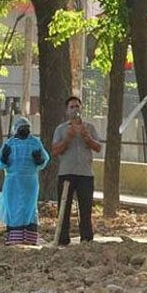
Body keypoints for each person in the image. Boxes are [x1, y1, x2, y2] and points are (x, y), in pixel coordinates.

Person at [0, 117, 49, 245]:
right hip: (13, 183)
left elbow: (44, 160)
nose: (24, 130)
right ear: (16, 129)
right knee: (13, 208)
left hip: (30, 182)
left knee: (30, 208)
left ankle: (30, 238)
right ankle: (14, 238)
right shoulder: (10, 143)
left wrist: (39, 160)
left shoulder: (35, 142)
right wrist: (4, 158)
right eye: (22, 128)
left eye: (26, 128)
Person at [51, 96, 101, 245]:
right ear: (67, 110)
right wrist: (68, 138)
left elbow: (98, 147)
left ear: (81, 108)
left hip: (85, 174)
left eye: (77, 106)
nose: (75, 109)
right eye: (71, 107)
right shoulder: (61, 129)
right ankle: (62, 239)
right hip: (66, 173)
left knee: (85, 208)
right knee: (64, 208)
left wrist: (87, 137)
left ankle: (86, 239)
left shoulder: (90, 127)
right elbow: (55, 151)